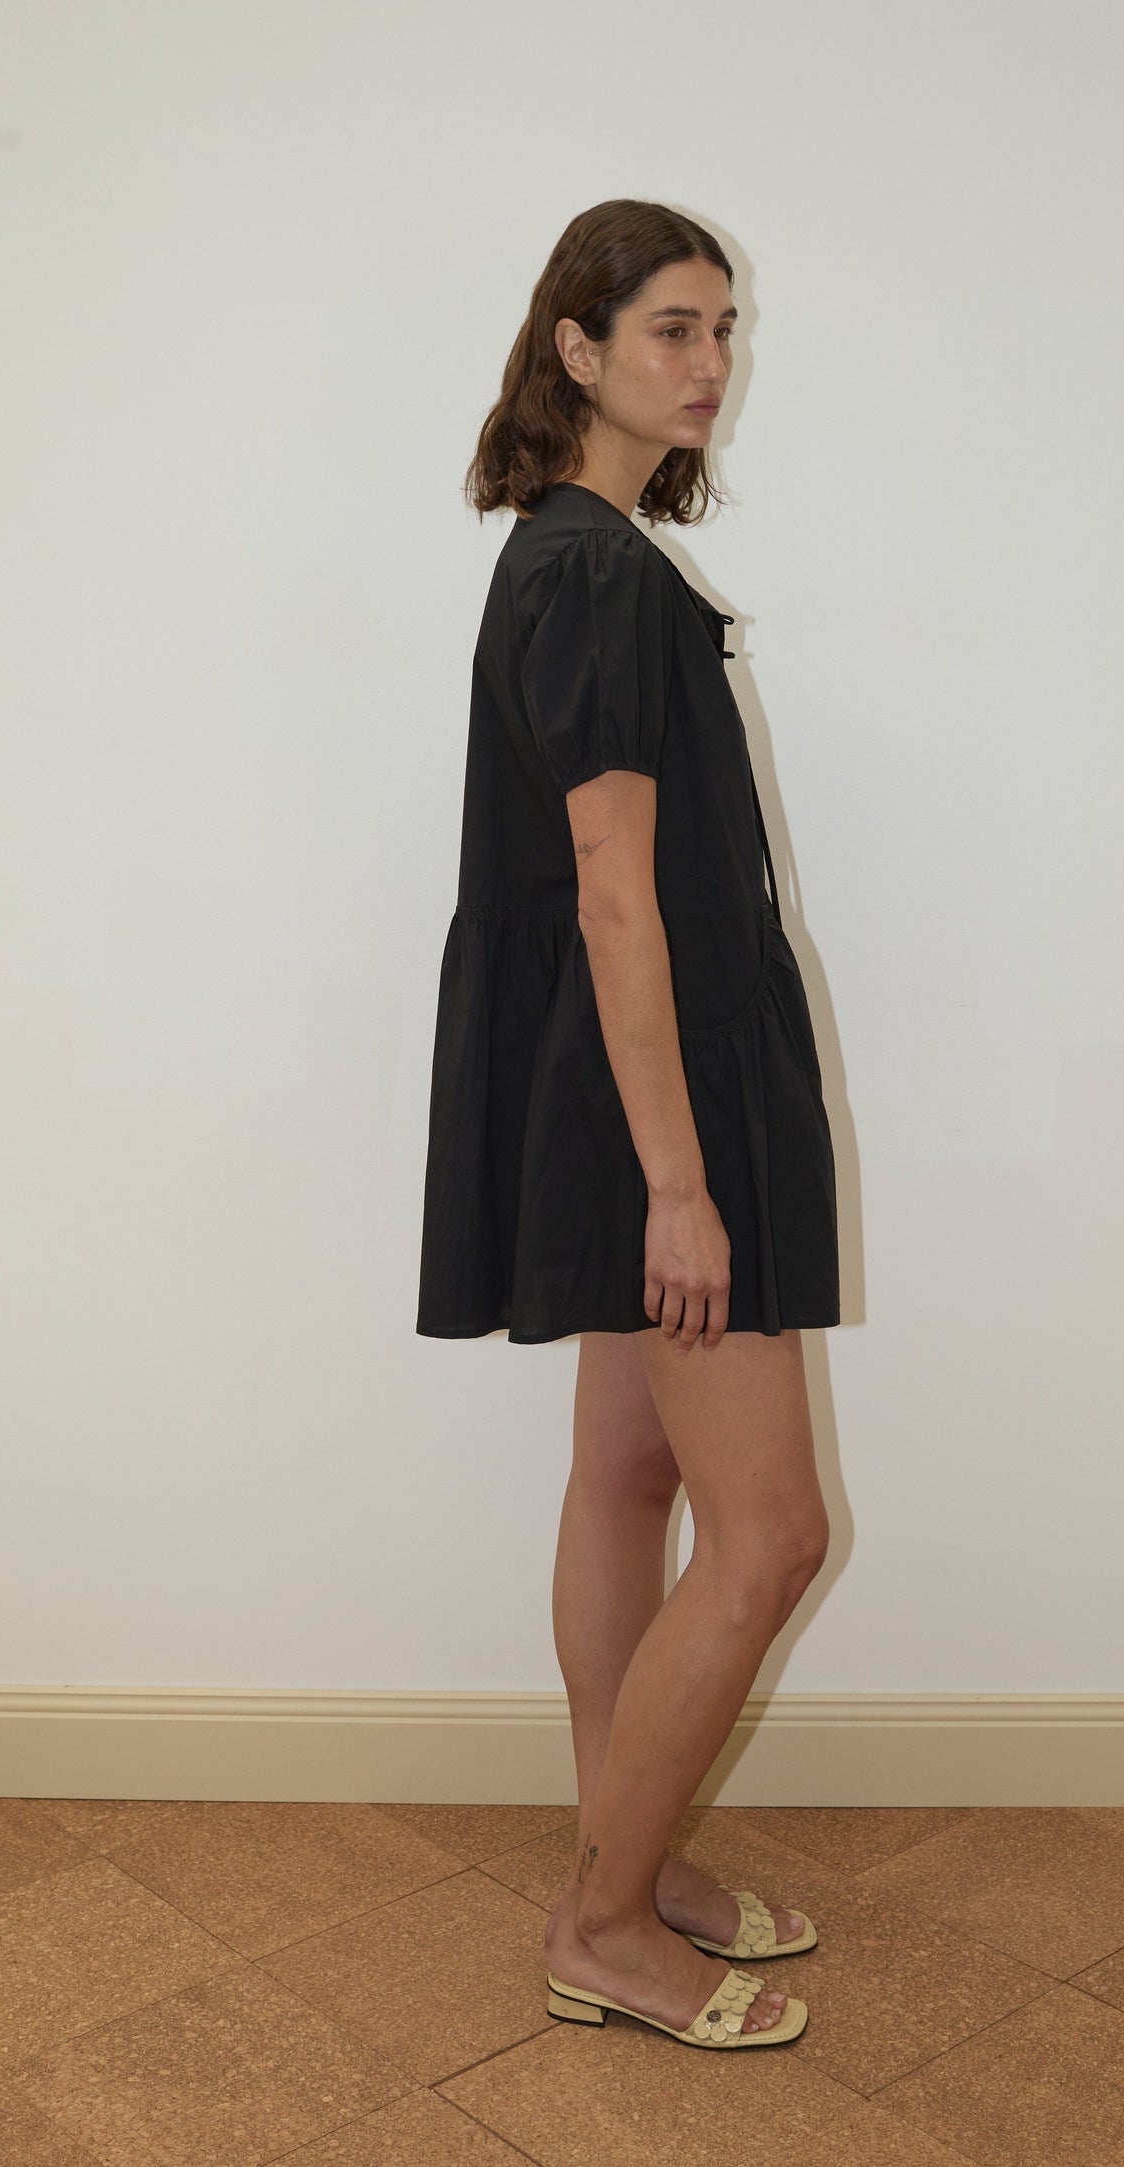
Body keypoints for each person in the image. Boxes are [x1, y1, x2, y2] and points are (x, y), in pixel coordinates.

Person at [416, 200, 840, 2050]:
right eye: (671, 329)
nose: (709, 365)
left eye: (724, 330)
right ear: (575, 350)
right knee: (773, 1537)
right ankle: (602, 1920)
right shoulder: (592, 574)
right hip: (666, 1095)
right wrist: (681, 1181)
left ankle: (625, 1845)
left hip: (623, 1079)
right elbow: (610, 898)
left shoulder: (581, 553)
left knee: (633, 1477)